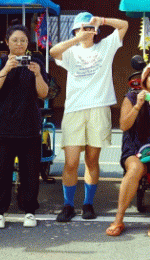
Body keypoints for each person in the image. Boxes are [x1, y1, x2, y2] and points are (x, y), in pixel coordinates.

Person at [50, 12, 128, 222]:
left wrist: (102, 21)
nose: (86, 31)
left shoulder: (105, 46)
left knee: (92, 160)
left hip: (99, 108)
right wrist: (77, 38)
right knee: (71, 162)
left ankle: (88, 204)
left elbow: (123, 25)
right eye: (81, 28)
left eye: (90, 28)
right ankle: (68, 205)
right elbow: (53, 51)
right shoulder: (70, 52)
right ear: (75, 30)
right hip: (74, 110)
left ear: (96, 31)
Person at [0, 24, 49, 229]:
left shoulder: (36, 62)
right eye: (15, 40)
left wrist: (37, 74)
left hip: (30, 127)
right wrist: (6, 69)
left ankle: (29, 210)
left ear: (28, 42)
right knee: (0, 173)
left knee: (30, 173)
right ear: (7, 42)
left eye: (23, 40)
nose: (19, 44)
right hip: (3, 128)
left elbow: (44, 93)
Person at [105, 62, 150, 239]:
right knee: (136, 168)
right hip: (135, 146)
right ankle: (118, 219)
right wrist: (137, 106)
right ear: (145, 78)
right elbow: (124, 125)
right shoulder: (131, 97)